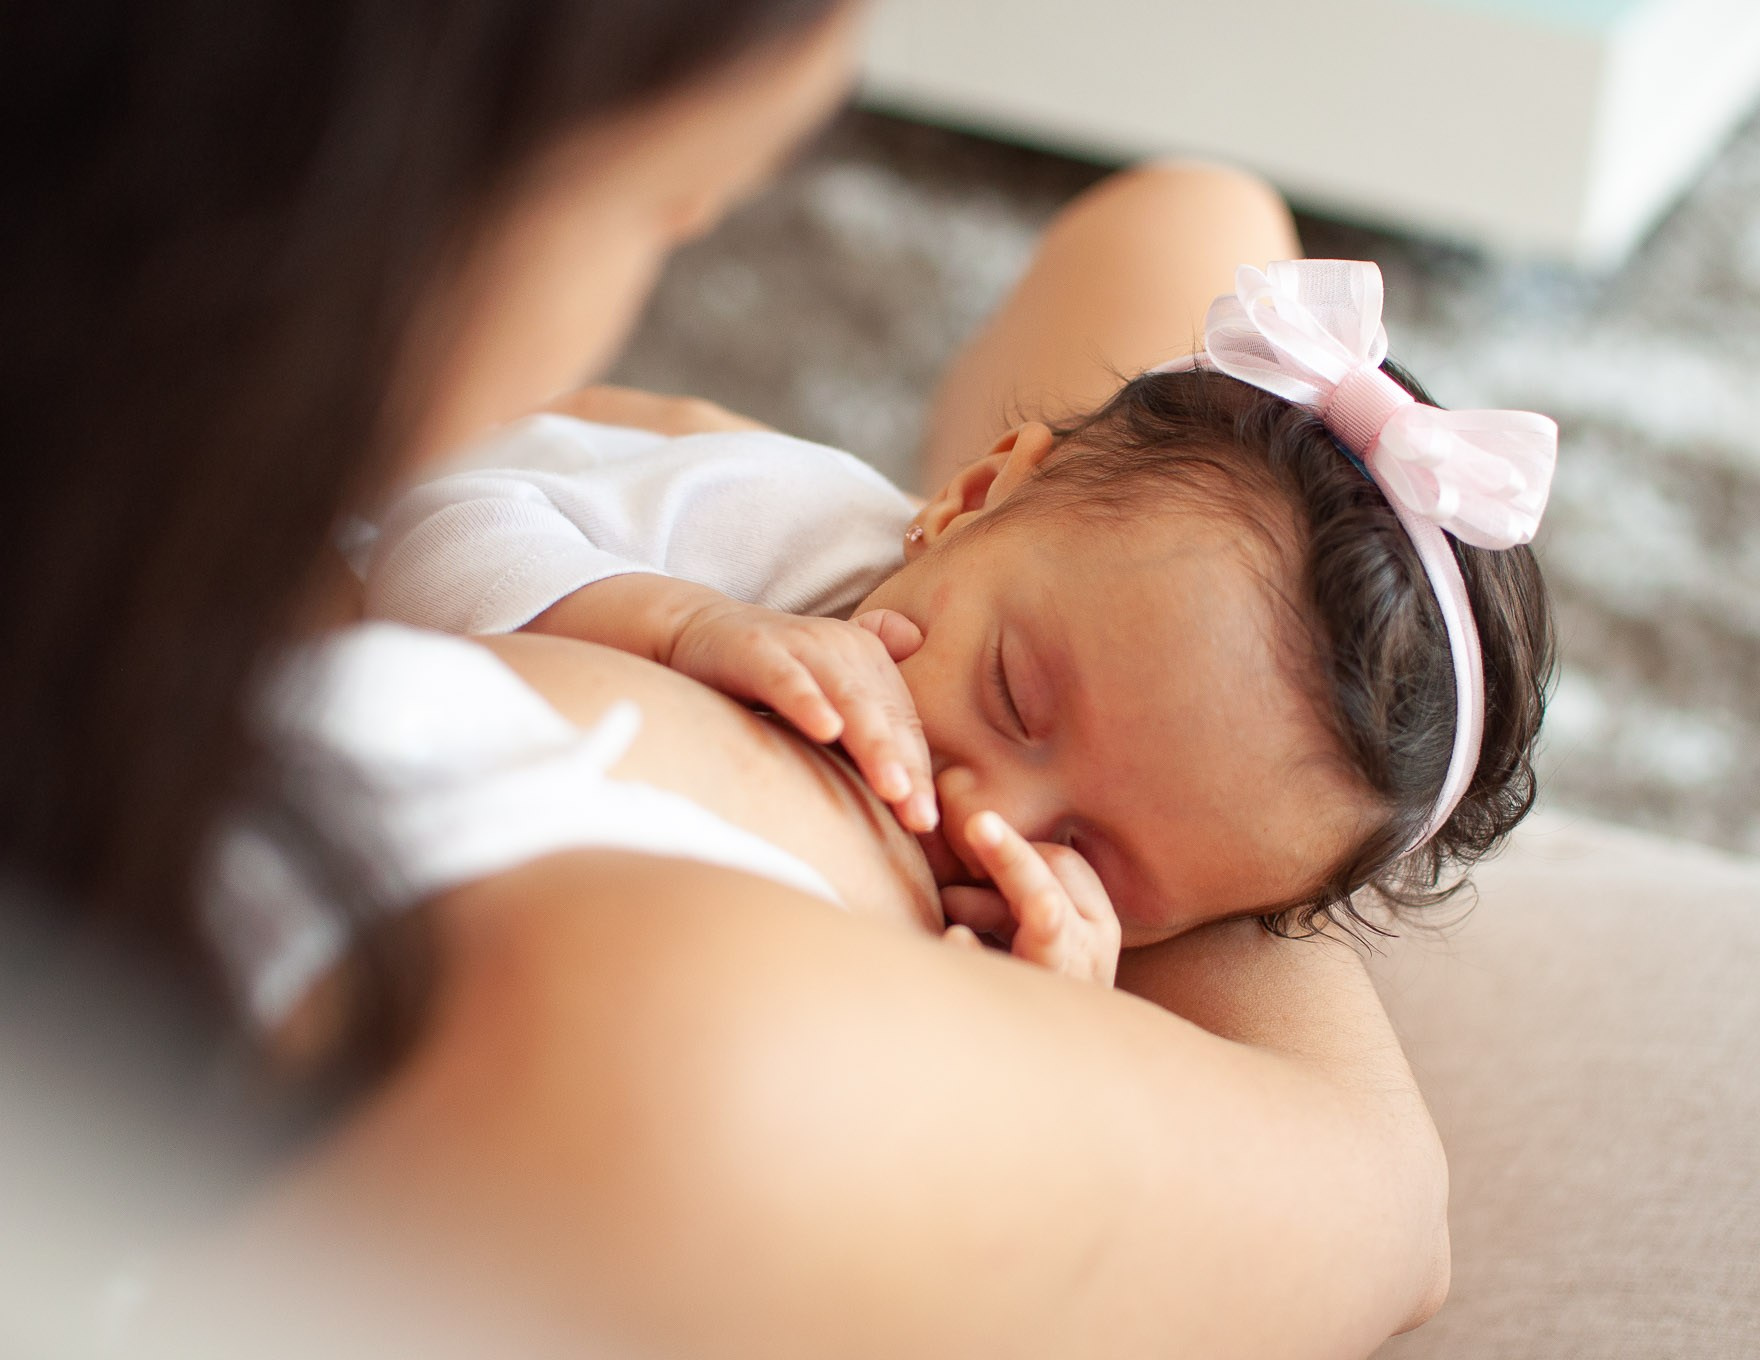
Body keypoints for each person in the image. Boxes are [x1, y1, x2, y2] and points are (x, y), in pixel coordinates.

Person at [1, 2, 1455, 1354]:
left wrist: (1150, 774)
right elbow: (1385, 1212)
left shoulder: (142, 590)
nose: (982, 805)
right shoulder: (633, 1042)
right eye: (673, 204)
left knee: (1201, 219)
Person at [351, 262, 1557, 988]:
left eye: (1099, 858)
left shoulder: (1044, 938)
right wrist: (674, 622)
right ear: (972, 496)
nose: (988, 814)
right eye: (1016, 697)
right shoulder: (778, 525)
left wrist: (1042, 1014)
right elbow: (426, 532)